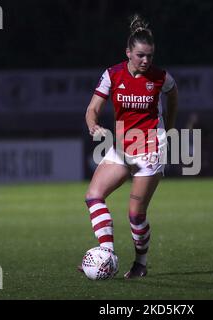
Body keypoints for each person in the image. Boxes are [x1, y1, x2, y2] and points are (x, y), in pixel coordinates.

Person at [80, 14, 178, 279]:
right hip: (122, 148)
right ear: (128, 53)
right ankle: (107, 255)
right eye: (140, 55)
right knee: (93, 195)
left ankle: (140, 264)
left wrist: (168, 127)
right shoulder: (112, 75)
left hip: (151, 149)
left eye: (150, 56)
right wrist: (93, 125)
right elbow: (92, 109)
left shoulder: (160, 78)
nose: (146, 61)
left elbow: (173, 92)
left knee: (135, 215)